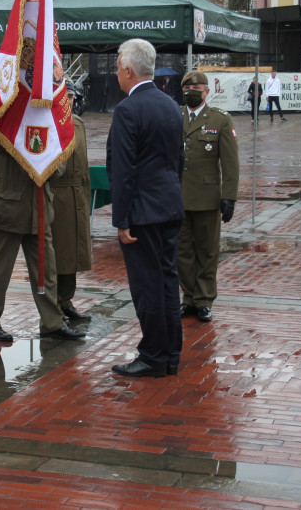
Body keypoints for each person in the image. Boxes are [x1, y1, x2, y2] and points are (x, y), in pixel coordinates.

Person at [106, 38, 185, 378]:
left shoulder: (128, 109)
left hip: (142, 211)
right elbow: (178, 160)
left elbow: (123, 170)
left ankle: (153, 354)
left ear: (127, 69)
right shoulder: (170, 104)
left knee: (147, 286)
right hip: (168, 205)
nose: (116, 73)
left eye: (118, 66)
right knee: (167, 281)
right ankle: (170, 353)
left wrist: (121, 219)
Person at [0, 111, 84, 343]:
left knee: (46, 269)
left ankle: (52, 322)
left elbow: (57, 167)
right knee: (0, 269)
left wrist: (50, 161)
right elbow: (1, 140)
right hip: (8, 206)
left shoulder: (45, 122)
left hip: (39, 206)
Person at [178, 71, 239, 323]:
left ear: (207, 91)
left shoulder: (220, 120)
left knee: (207, 251)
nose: (192, 90)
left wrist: (229, 196)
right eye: (188, 87)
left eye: (197, 87)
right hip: (178, 196)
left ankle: (204, 300)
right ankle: (189, 298)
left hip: (207, 196)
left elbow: (230, 161)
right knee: (181, 251)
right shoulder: (174, 116)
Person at [51, 84, 93, 322]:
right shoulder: (47, 122)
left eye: (70, 96)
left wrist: (85, 196)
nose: (68, 100)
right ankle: (54, 304)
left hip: (76, 193)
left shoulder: (77, 123)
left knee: (74, 254)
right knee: (59, 253)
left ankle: (66, 300)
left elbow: (84, 166)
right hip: (58, 195)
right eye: (63, 96)